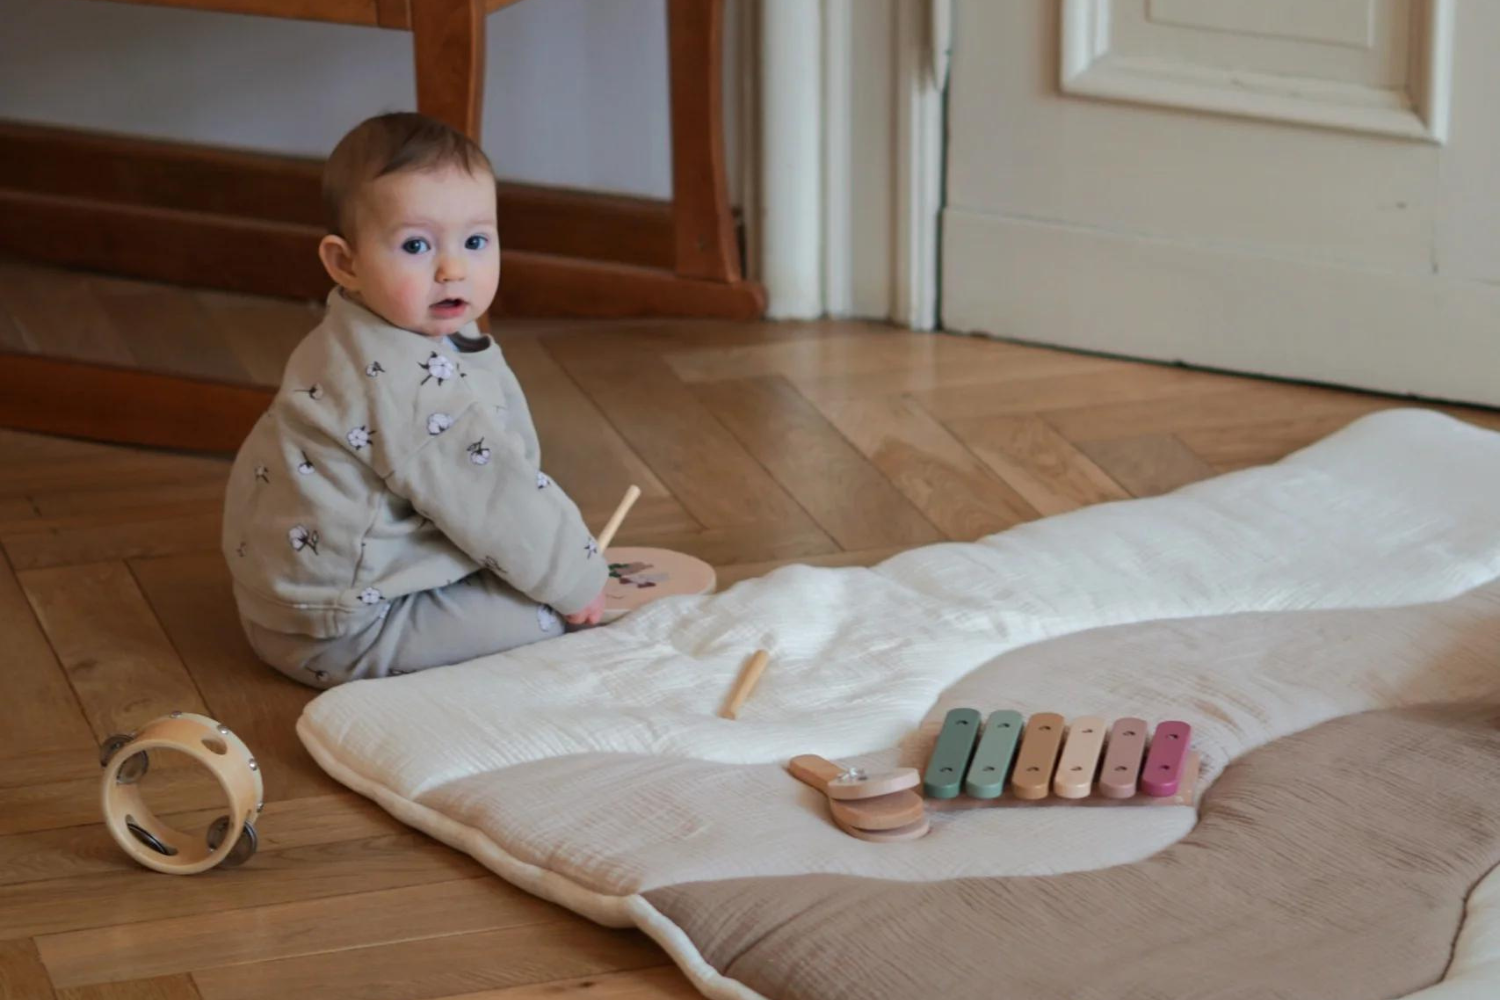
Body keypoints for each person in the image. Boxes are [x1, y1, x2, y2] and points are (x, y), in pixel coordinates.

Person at [221, 111, 606, 688]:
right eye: (416, 245)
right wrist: (576, 582)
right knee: (545, 612)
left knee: (526, 563)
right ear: (345, 263)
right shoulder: (411, 386)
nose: (453, 269)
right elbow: (496, 496)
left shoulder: (351, 334)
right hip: (346, 633)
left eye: (476, 241)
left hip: (288, 606)